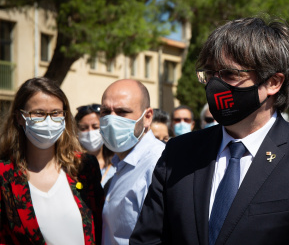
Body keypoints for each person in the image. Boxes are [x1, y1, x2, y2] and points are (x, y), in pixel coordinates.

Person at [130, 16, 289, 245]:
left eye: (230, 74)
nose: (215, 86)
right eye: (209, 74)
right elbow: (148, 240)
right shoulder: (179, 153)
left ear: (273, 82)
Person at [0, 77, 104, 244]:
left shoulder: (84, 167)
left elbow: (100, 227)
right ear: (20, 117)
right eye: (39, 113)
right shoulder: (4, 175)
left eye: (56, 113)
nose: (48, 121)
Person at [100, 79, 165, 245]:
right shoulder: (119, 162)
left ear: (147, 117)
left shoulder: (158, 164)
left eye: (122, 112)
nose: (111, 120)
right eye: (105, 111)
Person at [75, 103, 116, 187]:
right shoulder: (72, 167)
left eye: (95, 127)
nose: (90, 132)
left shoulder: (117, 163)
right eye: (84, 128)